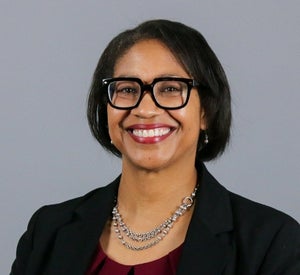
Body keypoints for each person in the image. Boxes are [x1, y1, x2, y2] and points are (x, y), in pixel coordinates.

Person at [11, 19, 299, 275]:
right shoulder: (48, 231)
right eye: (127, 90)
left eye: (171, 88)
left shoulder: (271, 242)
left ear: (206, 112)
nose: (145, 109)